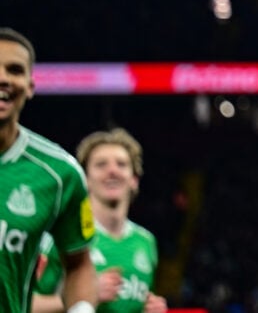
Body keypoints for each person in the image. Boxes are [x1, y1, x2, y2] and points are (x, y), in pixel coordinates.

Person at [0, 27, 98, 313]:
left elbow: (79, 263)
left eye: (15, 70)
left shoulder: (60, 174)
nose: (3, 78)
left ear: (30, 86)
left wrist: (81, 310)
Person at [33, 128, 167, 313]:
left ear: (134, 179)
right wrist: (83, 298)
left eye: (121, 164)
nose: (112, 171)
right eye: (101, 165)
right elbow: (28, 304)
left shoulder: (146, 241)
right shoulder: (64, 237)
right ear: (86, 179)